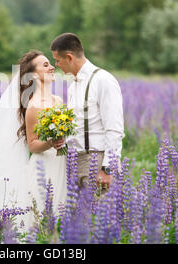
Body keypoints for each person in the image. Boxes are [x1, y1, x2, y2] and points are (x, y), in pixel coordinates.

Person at [0, 50, 67, 235]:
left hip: (60, 163)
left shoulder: (58, 100)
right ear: (33, 75)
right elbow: (32, 144)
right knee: (40, 220)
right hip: (44, 167)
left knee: (60, 217)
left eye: (50, 63)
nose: (52, 67)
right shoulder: (33, 106)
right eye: (45, 65)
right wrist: (50, 142)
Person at [51, 32, 125, 192]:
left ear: (69, 57)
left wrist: (107, 168)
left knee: (98, 213)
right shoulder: (73, 86)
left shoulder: (103, 80)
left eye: (57, 60)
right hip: (73, 161)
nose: (56, 65)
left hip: (96, 160)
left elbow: (114, 128)